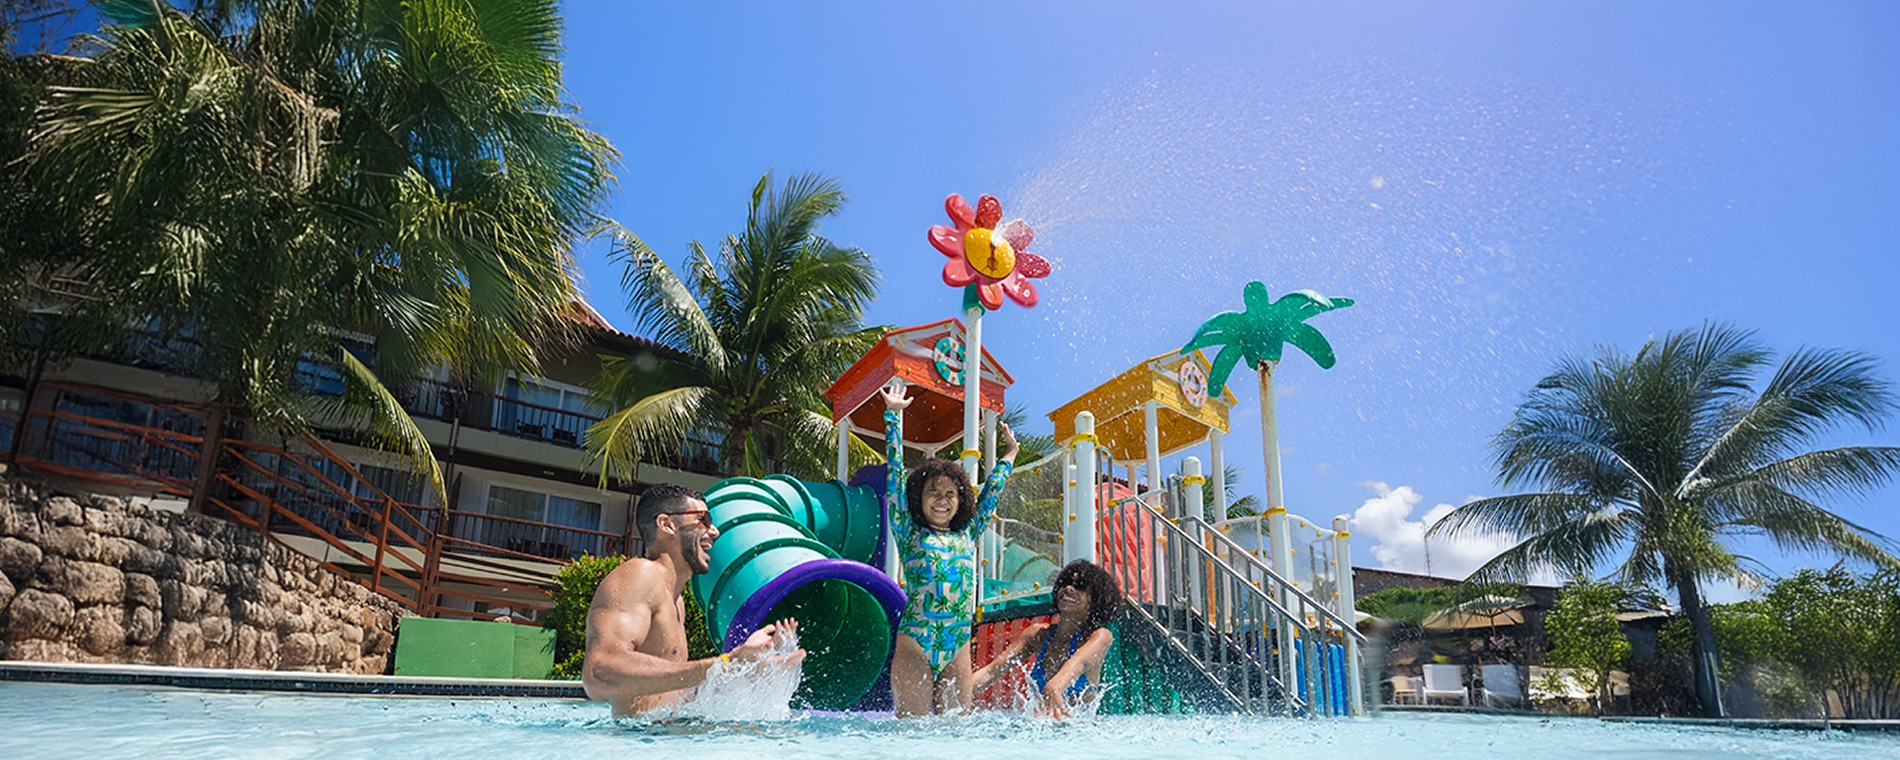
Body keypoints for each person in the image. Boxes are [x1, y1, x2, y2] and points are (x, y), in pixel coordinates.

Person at [581, 483, 804, 716]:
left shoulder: (676, 602)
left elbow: (675, 694)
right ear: (667, 524)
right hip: (637, 744)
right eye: (704, 520)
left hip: (663, 739)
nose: (714, 531)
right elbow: (599, 674)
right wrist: (725, 664)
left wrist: (751, 673)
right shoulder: (640, 574)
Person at [881, 384, 1019, 717]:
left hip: (956, 644)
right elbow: (895, 477)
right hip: (916, 642)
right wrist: (893, 417)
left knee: (956, 736)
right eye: (933, 491)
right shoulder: (908, 527)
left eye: (950, 493)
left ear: (961, 501)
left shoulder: (969, 532)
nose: (942, 498)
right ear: (918, 499)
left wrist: (1011, 454)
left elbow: (993, 491)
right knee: (912, 733)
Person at [972, 560, 1124, 719]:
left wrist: (1055, 686)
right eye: (1065, 583)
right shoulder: (1037, 634)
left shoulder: (1100, 636)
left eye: (1079, 586)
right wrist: (955, 691)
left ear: (1094, 600)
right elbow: (991, 671)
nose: (1068, 588)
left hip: (1078, 733)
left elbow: (1078, 662)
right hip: (1038, 731)